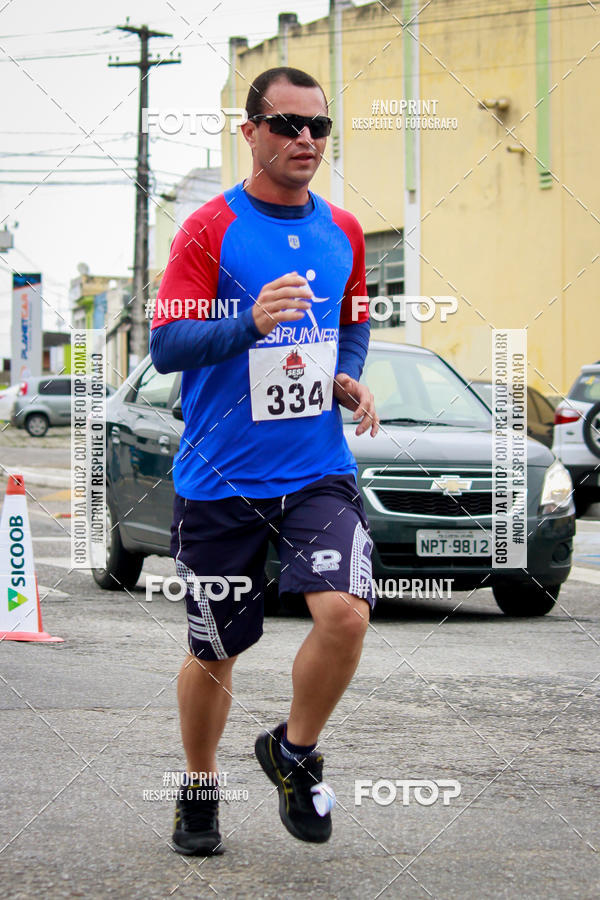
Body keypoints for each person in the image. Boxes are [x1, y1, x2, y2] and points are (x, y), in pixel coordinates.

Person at [150, 66, 379, 855]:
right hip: (219, 476)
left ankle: (293, 748)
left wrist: (345, 376)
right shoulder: (208, 229)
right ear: (249, 133)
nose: (305, 139)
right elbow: (167, 345)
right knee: (216, 651)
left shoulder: (344, 230)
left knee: (346, 611)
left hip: (316, 466)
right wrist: (247, 324)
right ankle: (199, 787)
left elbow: (351, 325)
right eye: (286, 125)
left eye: (318, 126)